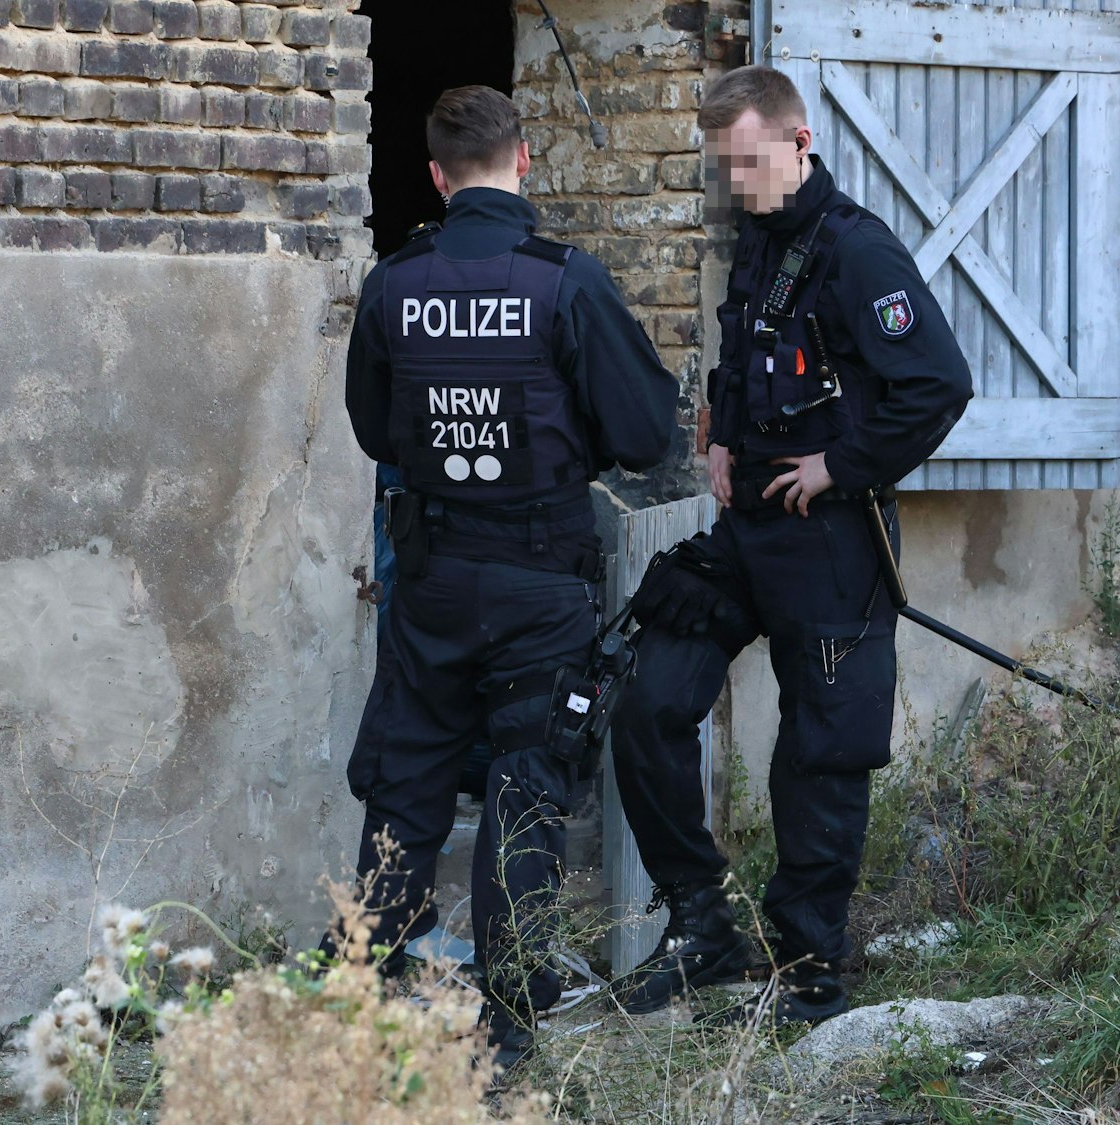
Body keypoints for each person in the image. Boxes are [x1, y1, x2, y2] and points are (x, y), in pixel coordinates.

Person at [608, 65, 973, 1025]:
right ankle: (705, 925)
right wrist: (724, 433)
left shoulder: (860, 253)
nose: (737, 181)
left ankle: (808, 974)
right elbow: (745, 351)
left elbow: (937, 385)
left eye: (749, 161)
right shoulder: (759, 244)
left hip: (830, 540)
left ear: (799, 142)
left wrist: (840, 468)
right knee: (648, 700)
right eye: (723, 166)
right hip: (748, 533)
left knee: (816, 756)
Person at [335, 85, 675, 1071]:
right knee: (525, 790)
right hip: (536, 584)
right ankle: (509, 1041)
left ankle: (359, 1010)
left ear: (436, 177)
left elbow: (369, 429)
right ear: (523, 160)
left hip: (434, 580)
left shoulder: (394, 283)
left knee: (404, 791)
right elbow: (646, 436)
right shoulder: (566, 282)